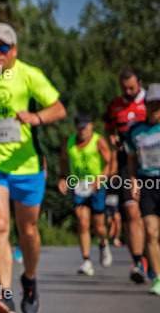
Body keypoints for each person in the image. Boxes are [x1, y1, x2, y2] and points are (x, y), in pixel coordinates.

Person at [0, 23, 66, 313]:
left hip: (27, 165)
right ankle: (4, 293)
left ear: (14, 51)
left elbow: (59, 108)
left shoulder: (29, 75)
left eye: (3, 47)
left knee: (27, 230)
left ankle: (29, 278)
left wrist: (36, 117)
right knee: (0, 225)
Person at [105, 69, 149, 282]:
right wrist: (111, 138)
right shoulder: (115, 104)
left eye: (132, 87)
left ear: (139, 83)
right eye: (124, 88)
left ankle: (151, 254)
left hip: (151, 164)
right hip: (126, 164)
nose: (128, 91)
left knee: (151, 216)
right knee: (131, 212)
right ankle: (138, 262)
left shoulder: (152, 101)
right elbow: (108, 127)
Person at [58, 113, 115, 276]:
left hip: (97, 187)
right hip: (79, 186)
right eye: (79, 127)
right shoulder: (69, 142)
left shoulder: (99, 141)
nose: (82, 130)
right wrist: (62, 177)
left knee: (98, 226)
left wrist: (100, 179)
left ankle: (103, 244)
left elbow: (109, 163)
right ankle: (86, 260)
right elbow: (63, 159)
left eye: (85, 126)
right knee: (82, 222)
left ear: (91, 126)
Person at [126, 83, 160, 294]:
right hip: (147, 183)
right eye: (151, 103)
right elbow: (131, 159)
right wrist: (133, 181)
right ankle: (158, 278)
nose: (155, 107)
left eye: (158, 104)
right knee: (150, 232)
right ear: (145, 105)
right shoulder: (135, 131)